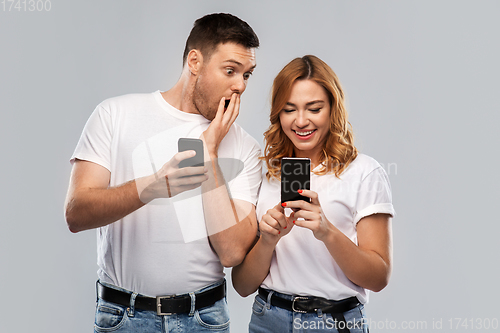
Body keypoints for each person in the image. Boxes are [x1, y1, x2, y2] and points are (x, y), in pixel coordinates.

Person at [64, 13, 261, 332]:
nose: (240, 85)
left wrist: (208, 151)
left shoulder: (244, 146)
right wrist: (153, 186)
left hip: (204, 318)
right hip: (123, 317)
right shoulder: (115, 115)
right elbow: (76, 213)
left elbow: (232, 251)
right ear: (194, 62)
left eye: (247, 74)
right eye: (230, 71)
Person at [232, 55, 395, 333]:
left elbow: (378, 277)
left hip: (335, 322)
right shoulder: (266, 175)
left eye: (314, 108)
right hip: (268, 319)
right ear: (277, 114)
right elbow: (242, 285)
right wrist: (267, 240)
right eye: (289, 109)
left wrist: (327, 231)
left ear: (333, 108)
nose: (301, 121)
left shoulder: (364, 172)